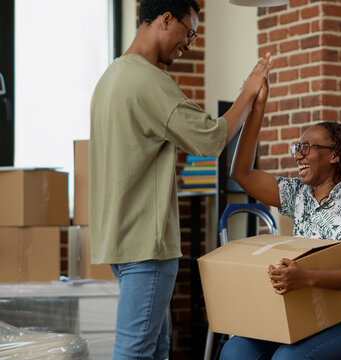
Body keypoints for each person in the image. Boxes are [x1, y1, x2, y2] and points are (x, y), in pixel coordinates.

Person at [89, 0, 272, 358]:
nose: (189, 44)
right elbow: (211, 140)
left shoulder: (111, 77)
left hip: (121, 242)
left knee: (157, 350)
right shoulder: (149, 81)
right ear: (165, 19)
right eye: (188, 33)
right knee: (135, 352)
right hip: (147, 247)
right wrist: (249, 93)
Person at [221, 76, 341, 359]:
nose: (298, 155)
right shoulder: (297, 193)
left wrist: (305, 278)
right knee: (235, 350)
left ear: (335, 155)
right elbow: (242, 174)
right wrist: (257, 108)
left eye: (307, 147)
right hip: (307, 310)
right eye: (296, 148)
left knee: (289, 358)